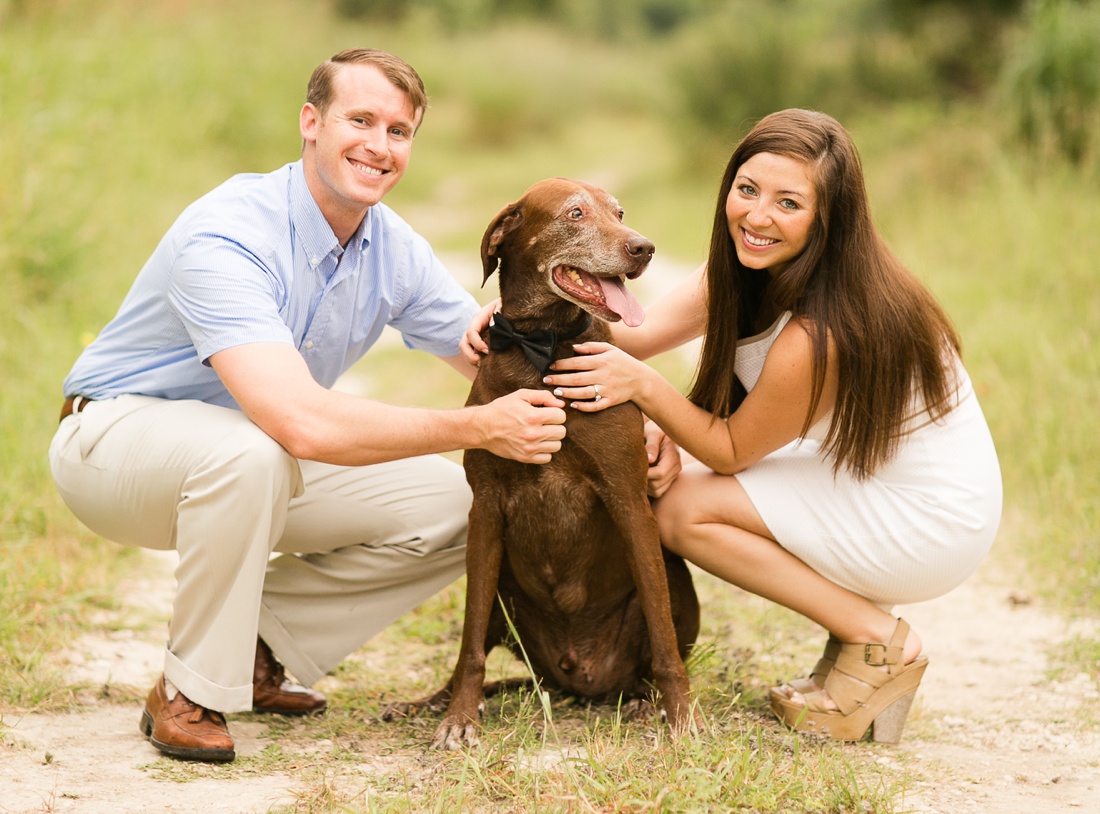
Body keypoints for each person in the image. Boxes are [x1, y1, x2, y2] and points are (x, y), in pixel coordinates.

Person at [47, 48, 572, 763]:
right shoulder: (229, 231)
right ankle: (191, 689)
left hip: (251, 456)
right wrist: (478, 426)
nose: (379, 146)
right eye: (360, 120)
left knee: (460, 504)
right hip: (113, 445)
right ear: (310, 122)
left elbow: (490, 349)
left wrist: (634, 413)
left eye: (399, 130)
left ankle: (254, 651)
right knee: (254, 449)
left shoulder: (389, 244)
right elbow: (296, 421)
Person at [465, 108, 1002, 743]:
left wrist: (650, 396)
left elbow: (729, 448)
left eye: (789, 203)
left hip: (928, 519)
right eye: (747, 190)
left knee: (682, 508)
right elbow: (628, 338)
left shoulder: (822, 328)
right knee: (672, 473)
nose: (757, 215)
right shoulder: (743, 269)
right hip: (859, 479)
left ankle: (879, 639)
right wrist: (515, 311)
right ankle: (855, 645)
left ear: (829, 219)